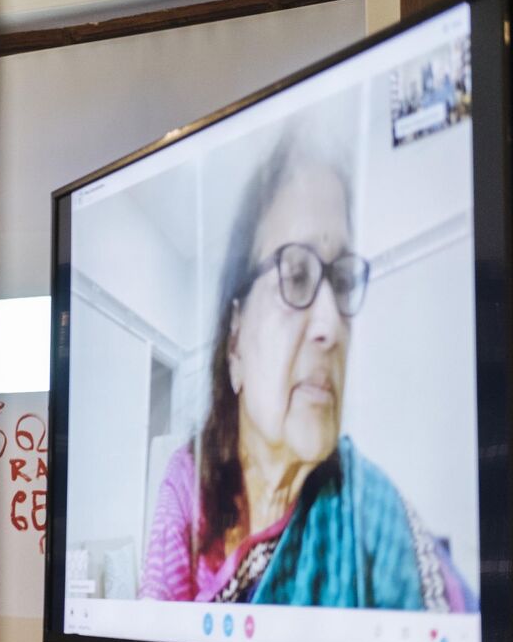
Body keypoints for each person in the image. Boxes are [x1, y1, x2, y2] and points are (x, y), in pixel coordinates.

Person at [138, 136, 473, 611]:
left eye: (342, 283)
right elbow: (152, 640)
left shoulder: (366, 509)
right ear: (234, 341)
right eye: (296, 276)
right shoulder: (188, 486)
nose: (331, 326)